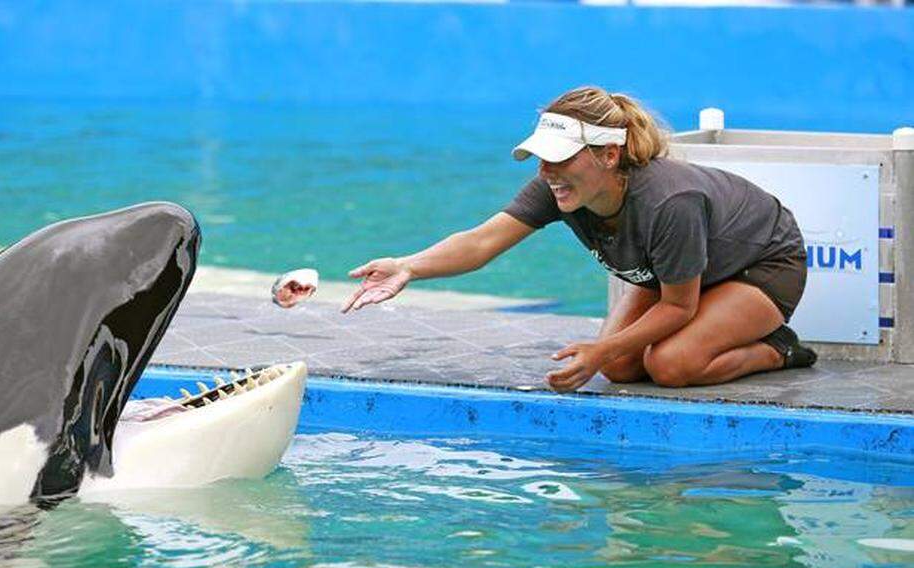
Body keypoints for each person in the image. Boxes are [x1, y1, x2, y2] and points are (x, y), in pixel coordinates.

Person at [341, 85, 816, 392]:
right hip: (682, 274)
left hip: (763, 265)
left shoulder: (670, 202)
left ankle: (778, 349)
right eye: (541, 158)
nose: (546, 171)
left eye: (561, 157)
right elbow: (481, 242)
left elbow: (679, 308)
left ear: (609, 157)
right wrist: (408, 265)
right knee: (622, 367)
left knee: (673, 364)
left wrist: (597, 349)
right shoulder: (561, 186)